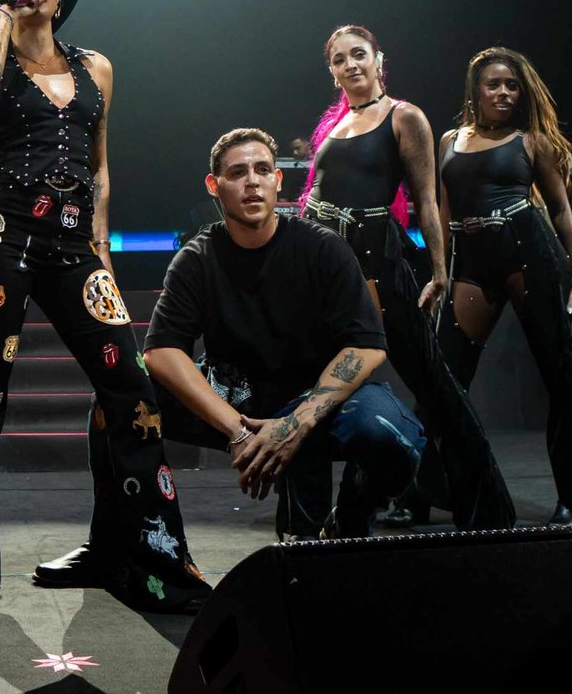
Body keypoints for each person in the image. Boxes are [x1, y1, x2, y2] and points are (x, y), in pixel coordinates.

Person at [0, 0, 209, 626]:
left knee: (131, 387)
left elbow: (100, 167)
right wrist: (4, 16)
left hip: (73, 241)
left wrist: (103, 252)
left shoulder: (97, 67)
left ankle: (149, 559)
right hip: (0, 234)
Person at [144, 128, 426, 539]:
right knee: (120, 403)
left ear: (277, 180)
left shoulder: (322, 246)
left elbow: (366, 345)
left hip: (318, 392)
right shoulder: (197, 258)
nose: (252, 182)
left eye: (262, 170)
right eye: (237, 173)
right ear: (214, 186)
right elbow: (162, 350)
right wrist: (238, 431)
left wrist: (297, 421)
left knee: (394, 437)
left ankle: (348, 518)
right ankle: (148, 544)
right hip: (238, 396)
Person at [300, 26, 513, 531]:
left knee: (436, 387)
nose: (350, 64)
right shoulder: (336, 124)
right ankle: (337, 517)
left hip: (379, 264)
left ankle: (486, 510)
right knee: (326, 388)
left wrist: (439, 272)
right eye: (339, 59)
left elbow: (426, 201)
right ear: (331, 71)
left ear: (379, 60)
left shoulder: (404, 116)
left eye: (359, 54)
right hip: (331, 268)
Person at [432, 46, 572, 524]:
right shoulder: (449, 141)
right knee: (445, 375)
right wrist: (438, 271)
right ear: (476, 91)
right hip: (470, 258)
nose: (504, 93)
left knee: (559, 376)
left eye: (512, 85)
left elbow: (561, 211)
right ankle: (432, 487)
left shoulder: (532, 141)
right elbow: (443, 209)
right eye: (494, 84)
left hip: (527, 249)